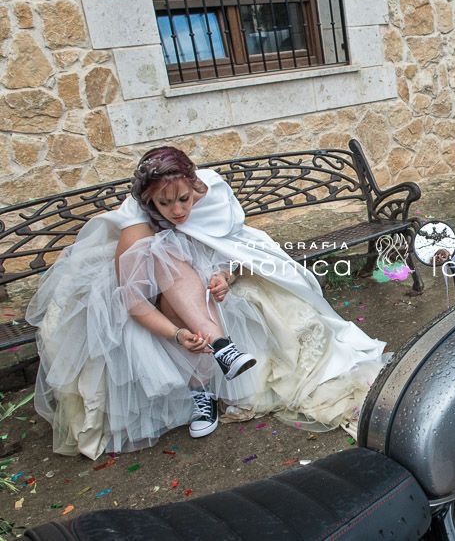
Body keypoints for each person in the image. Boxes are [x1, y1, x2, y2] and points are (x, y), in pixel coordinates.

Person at [27, 147, 386, 459]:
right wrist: (176, 332)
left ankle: (219, 354)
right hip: (151, 293)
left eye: (183, 198)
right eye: (164, 203)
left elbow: (239, 248)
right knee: (165, 256)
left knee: (203, 286)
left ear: (194, 186)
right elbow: (134, 301)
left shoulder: (211, 193)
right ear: (149, 199)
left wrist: (225, 276)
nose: (177, 209)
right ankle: (209, 373)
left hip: (200, 285)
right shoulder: (136, 227)